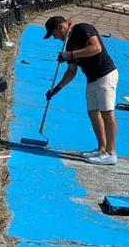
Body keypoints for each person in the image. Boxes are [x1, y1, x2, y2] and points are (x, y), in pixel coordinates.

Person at [44, 16, 120, 165]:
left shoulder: (82, 29)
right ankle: (101, 148)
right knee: (93, 112)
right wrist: (56, 89)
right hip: (91, 78)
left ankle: (111, 153)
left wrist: (71, 55)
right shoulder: (68, 44)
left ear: (61, 27)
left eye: (54, 34)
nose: (54, 38)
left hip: (105, 74)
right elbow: (71, 71)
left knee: (107, 112)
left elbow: (95, 48)